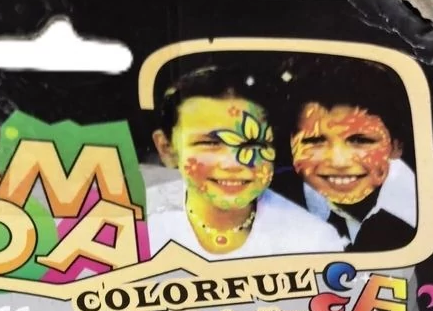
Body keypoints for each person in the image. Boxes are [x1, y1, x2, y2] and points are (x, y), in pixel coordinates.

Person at [147, 63, 342, 261]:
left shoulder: (314, 242)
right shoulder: (138, 226)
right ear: (167, 149)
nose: (233, 163)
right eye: (210, 143)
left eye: (253, 144)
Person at [277, 58, 417, 252]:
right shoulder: (271, 204)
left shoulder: (424, 213)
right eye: (315, 141)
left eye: (360, 140)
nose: (339, 161)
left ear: (396, 146)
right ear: (292, 143)